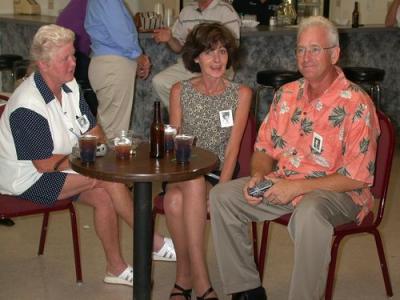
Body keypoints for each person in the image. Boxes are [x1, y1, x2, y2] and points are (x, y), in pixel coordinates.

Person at [210, 16, 380, 300]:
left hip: (340, 193)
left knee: (309, 213)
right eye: (301, 49)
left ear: (334, 54)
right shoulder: (286, 94)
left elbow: (356, 177)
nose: (306, 57)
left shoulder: (356, 104)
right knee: (223, 197)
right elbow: (264, 149)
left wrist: (298, 188)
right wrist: (259, 176)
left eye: (315, 49)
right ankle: (247, 290)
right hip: (284, 182)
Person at [0, 25, 174, 287]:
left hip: (66, 165)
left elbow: (93, 130)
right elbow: (44, 164)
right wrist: (89, 160)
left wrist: (97, 150)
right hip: (27, 177)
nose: (74, 63)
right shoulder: (28, 105)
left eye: (73, 55)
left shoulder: (69, 85)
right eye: (65, 58)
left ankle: (115, 268)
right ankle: (152, 241)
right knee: (107, 181)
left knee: (105, 194)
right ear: (43, 64)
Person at [164, 23, 252, 299]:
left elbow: (234, 149)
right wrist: (189, 178)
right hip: (184, 170)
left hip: (219, 171)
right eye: (209, 52)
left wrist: (219, 192)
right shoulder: (180, 91)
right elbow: (176, 146)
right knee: (181, 190)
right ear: (196, 57)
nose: (217, 59)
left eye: (222, 51)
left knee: (173, 202)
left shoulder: (241, 94)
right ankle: (200, 279)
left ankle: (184, 279)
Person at [152, 0, 240, 110]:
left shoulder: (226, 11)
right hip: (192, 65)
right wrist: (170, 39)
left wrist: (201, 41)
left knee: (205, 87)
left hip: (218, 66)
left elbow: (232, 48)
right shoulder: (186, 11)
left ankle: (198, 116)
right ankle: (183, 118)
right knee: (160, 81)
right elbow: (178, 47)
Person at [84, 0, 151, 139]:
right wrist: (139, 57)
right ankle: (108, 161)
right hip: (113, 65)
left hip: (106, 63)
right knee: (114, 133)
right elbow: (120, 32)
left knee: (106, 128)